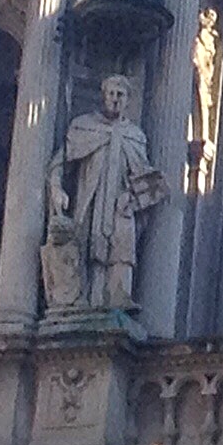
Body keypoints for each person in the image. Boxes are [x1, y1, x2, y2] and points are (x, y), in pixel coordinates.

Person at [46, 74, 167, 310]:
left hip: (122, 205)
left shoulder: (135, 136)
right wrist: (56, 187)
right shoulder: (84, 126)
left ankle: (117, 297)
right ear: (103, 96)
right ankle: (79, 300)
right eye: (111, 94)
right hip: (89, 200)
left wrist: (135, 196)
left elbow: (144, 176)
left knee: (122, 250)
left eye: (120, 95)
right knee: (84, 245)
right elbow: (60, 163)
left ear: (128, 100)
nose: (115, 99)